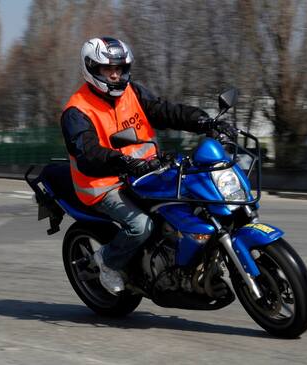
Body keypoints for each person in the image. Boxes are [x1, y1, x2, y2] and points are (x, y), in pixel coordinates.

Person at [61, 37, 236, 295]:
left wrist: (204, 122)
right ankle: (107, 263)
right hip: (103, 184)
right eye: (108, 69)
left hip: (147, 172)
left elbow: (166, 111)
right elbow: (88, 154)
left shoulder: (132, 92)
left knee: (198, 196)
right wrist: (123, 162)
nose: (115, 75)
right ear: (92, 69)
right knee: (140, 226)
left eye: (119, 69)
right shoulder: (76, 111)